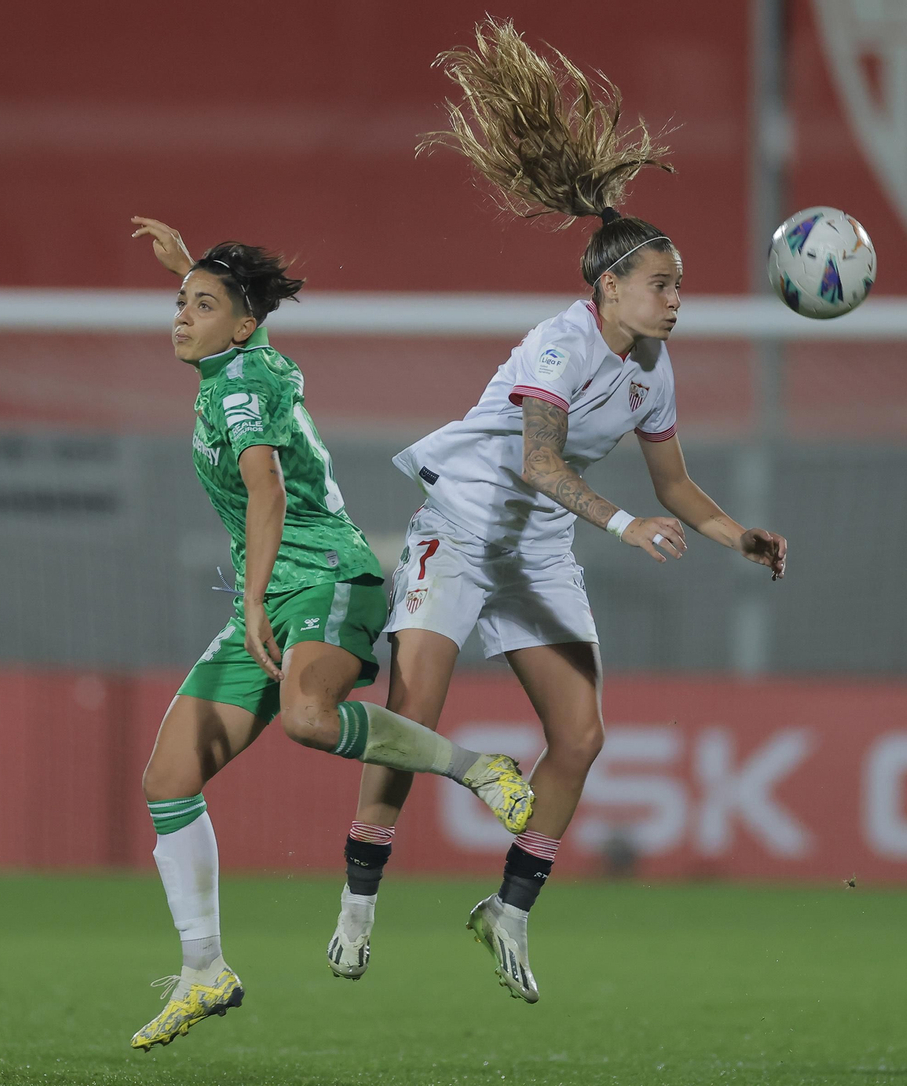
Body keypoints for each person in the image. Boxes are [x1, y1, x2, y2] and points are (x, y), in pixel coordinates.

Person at [325, 20, 789, 1004]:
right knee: (414, 708)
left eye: (680, 288)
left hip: (536, 551)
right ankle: (359, 903)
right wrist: (622, 529)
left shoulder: (652, 372)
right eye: (662, 286)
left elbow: (674, 486)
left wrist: (733, 533)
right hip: (464, 523)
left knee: (580, 738)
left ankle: (509, 910)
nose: (676, 302)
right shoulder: (556, 346)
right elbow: (536, 463)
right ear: (609, 285)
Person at [124, 218, 536, 1050]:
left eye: (197, 304)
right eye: (177, 301)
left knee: (310, 717)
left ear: (238, 324)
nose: (178, 313)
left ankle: (476, 768)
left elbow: (267, 491)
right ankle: (205, 970)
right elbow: (244, 330)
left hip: (324, 579)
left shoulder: (239, 386)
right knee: (168, 777)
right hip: (275, 594)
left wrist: (248, 603)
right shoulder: (240, 362)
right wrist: (194, 268)